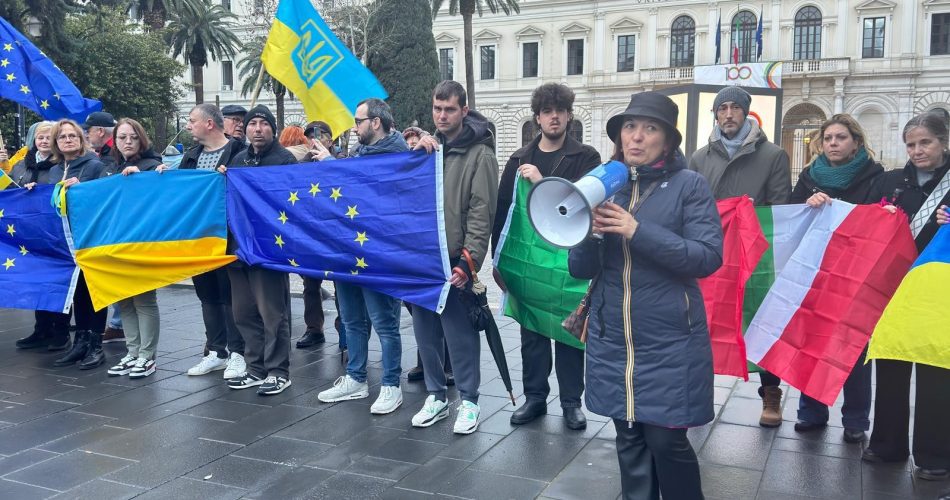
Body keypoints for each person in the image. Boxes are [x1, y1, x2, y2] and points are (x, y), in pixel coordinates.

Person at [568, 92, 722, 500]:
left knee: (666, 442)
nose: (636, 137)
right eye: (629, 127)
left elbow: (707, 257)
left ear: (668, 141)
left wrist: (638, 231)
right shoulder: (605, 186)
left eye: (649, 128)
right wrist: (589, 236)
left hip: (671, 339)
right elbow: (580, 269)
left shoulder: (690, 185)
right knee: (630, 440)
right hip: (613, 338)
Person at [492, 83, 600, 430]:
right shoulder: (518, 159)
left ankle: (571, 402)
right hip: (528, 262)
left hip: (570, 263)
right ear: (538, 117)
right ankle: (535, 398)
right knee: (532, 332)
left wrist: (543, 181)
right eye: (547, 111)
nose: (554, 117)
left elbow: (584, 203)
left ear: (569, 114)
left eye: (561, 110)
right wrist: (498, 261)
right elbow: (503, 212)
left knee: (570, 332)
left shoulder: (587, 157)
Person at [688, 86, 792, 428]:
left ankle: (771, 394)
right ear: (715, 114)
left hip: (755, 253)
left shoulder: (773, 155)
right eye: (722, 108)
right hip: (712, 252)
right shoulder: (700, 158)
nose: (728, 113)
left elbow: (778, 207)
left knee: (762, 320)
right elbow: (692, 204)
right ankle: (698, 391)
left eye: (735, 107)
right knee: (705, 320)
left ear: (746, 112)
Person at [862, 112, 950, 481]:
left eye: (925, 142)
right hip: (894, 287)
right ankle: (887, 444)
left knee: (935, 369)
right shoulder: (891, 181)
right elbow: (861, 219)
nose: (917, 151)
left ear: (944, 141)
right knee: (892, 363)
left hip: (936, 291)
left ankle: (933, 454)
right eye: (911, 144)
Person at [790, 113, 884, 443]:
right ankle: (811, 411)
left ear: (856, 142)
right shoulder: (808, 176)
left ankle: (855, 419)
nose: (833, 143)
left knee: (854, 346)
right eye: (828, 137)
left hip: (854, 273)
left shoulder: (875, 176)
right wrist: (808, 203)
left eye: (841, 137)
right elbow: (792, 214)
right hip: (815, 271)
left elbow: (880, 217)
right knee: (812, 341)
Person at [411, 81, 498, 434]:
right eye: (436, 108)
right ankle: (436, 395)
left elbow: (482, 212)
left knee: (459, 335)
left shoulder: (481, 155)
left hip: (453, 260)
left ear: (464, 110)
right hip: (421, 259)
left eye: (449, 109)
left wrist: (469, 260)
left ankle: (470, 400)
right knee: (425, 334)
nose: (442, 116)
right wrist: (415, 155)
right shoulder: (427, 150)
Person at [316, 98, 408, 415]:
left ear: (376, 122)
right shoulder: (358, 154)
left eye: (359, 121)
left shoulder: (398, 155)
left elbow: (373, 188)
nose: (355, 127)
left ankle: (391, 385)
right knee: (353, 319)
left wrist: (335, 166)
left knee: (384, 322)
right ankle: (356, 378)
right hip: (348, 249)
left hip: (379, 253)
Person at [223, 105, 297, 396]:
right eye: (252, 123)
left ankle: (278, 371)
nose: (257, 128)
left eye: (263, 124)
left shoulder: (284, 160)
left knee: (272, 315)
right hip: (239, 249)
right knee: (243, 313)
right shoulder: (239, 160)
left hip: (268, 250)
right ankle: (255, 368)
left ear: (272, 129)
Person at [173, 104, 248, 380]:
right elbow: (180, 189)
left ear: (209, 124)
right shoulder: (191, 156)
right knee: (207, 294)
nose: (188, 126)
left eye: (192, 121)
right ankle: (216, 351)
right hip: (199, 236)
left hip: (228, 236)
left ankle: (238, 352)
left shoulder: (239, 152)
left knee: (230, 295)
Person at [100, 119, 163, 378]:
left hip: (142, 243)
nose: (127, 142)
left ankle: (147, 356)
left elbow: (159, 196)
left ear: (141, 140)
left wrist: (144, 179)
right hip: (117, 243)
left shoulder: (151, 166)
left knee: (144, 301)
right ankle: (133, 351)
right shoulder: (112, 168)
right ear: (115, 140)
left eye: (133, 137)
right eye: (122, 137)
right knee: (124, 301)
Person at [44, 119, 107, 370]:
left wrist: (83, 190)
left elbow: (103, 197)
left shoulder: (94, 165)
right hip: (66, 241)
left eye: (73, 136)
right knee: (77, 293)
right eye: (63, 137)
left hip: (90, 238)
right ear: (57, 143)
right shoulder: (55, 170)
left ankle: (96, 344)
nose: (68, 140)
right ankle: (80, 342)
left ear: (81, 140)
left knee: (94, 293)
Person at [12, 121, 71, 352]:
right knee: (37, 282)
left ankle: (61, 331)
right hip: (29, 234)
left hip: (53, 234)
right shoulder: (19, 166)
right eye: (40, 137)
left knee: (57, 282)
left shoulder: (61, 166)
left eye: (48, 137)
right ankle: (42, 329)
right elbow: (9, 191)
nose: (44, 141)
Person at [83, 111, 124, 343]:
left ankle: (119, 324)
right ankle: (118, 323)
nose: (87, 136)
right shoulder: (101, 153)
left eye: (88, 131)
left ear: (100, 131)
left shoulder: (110, 155)